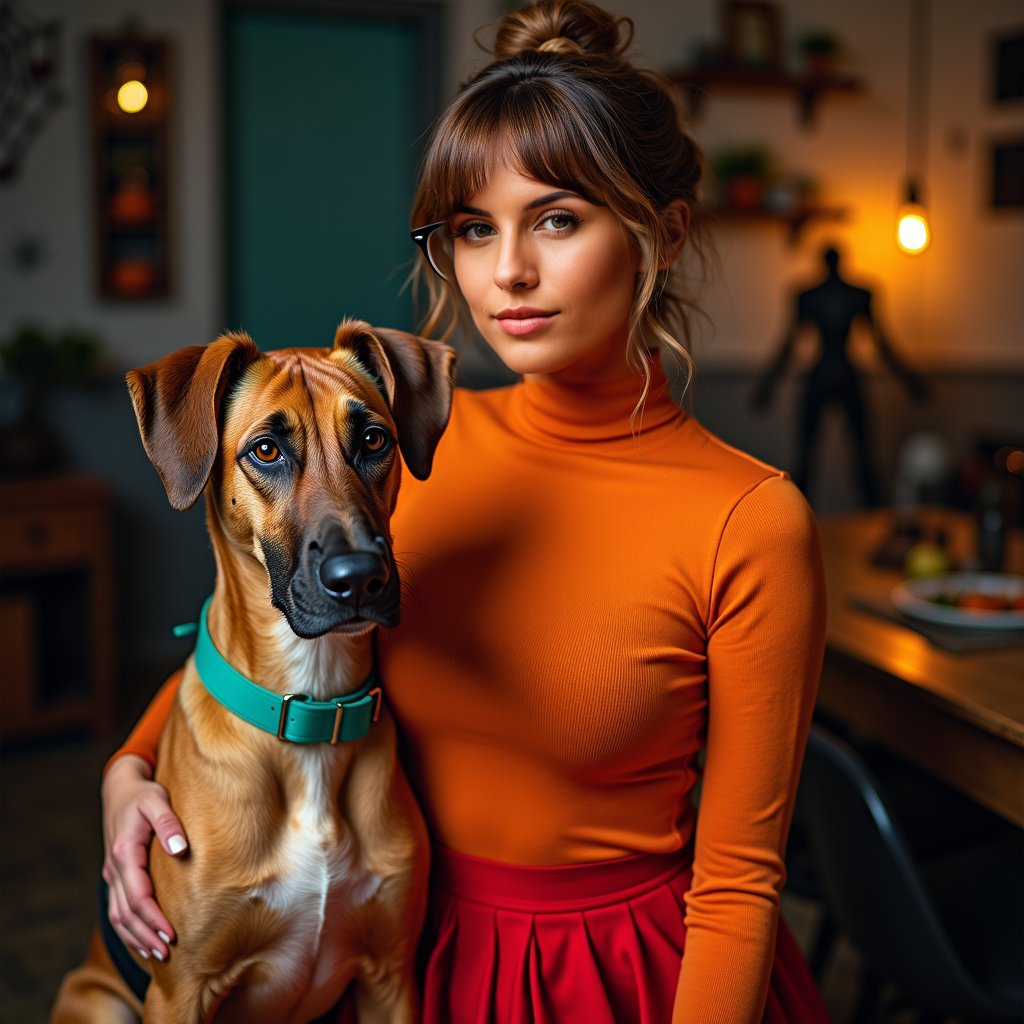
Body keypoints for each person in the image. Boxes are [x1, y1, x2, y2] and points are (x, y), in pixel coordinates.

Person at [100, 3, 829, 1020]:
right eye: (475, 229)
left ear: (661, 232)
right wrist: (128, 772)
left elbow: (742, 879)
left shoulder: (749, 518)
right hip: (404, 953)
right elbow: (254, 642)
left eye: (556, 219)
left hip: (620, 982)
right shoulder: (406, 445)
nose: (508, 272)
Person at [751, 244, 928, 507]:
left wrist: (767, 385)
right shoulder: (848, 294)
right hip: (842, 373)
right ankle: (800, 520)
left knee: (851, 459)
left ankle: (866, 517)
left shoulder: (818, 295)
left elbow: (881, 343)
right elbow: (882, 344)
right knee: (823, 459)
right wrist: (910, 381)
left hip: (827, 374)